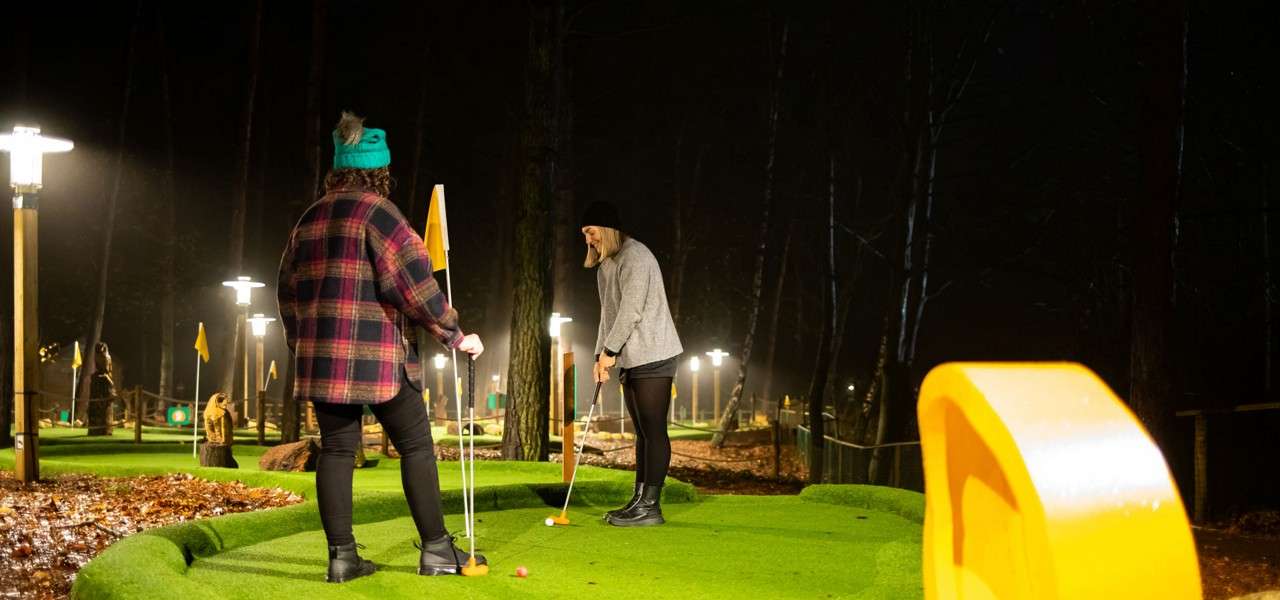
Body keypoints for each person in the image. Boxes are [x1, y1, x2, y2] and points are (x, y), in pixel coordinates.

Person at [277, 112, 485, 583]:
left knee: (335, 450)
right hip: (379, 359)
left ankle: (343, 558)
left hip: (323, 361)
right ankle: (436, 550)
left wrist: (303, 346)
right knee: (415, 445)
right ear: (380, 170)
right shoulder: (380, 213)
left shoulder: (309, 219)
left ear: (338, 168)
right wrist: (454, 333)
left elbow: (287, 292)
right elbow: (413, 283)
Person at [582, 201, 684, 527]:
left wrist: (611, 351)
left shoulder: (636, 257)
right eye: (584, 233)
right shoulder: (606, 266)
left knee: (653, 430)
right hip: (632, 356)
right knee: (641, 432)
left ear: (607, 228)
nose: (588, 239)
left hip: (654, 352)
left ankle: (651, 507)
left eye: (591, 231)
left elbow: (631, 311)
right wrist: (600, 355)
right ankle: (639, 500)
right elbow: (608, 316)